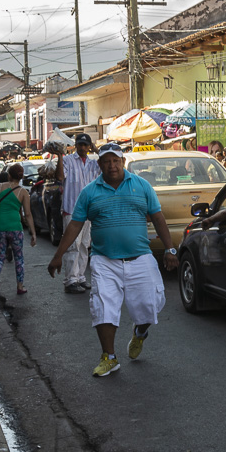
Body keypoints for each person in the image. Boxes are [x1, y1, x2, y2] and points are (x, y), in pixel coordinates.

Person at [47, 144, 179, 377]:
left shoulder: (141, 185)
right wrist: (58, 255)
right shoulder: (89, 192)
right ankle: (109, 357)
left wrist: (170, 249)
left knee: (151, 307)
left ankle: (139, 332)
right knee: (103, 307)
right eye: (107, 161)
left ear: (123, 161)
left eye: (116, 160)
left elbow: (157, 217)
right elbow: (76, 224)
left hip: (140, 258)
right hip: (104, 260)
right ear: (99, 165)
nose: (112, 165)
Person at [56, 133, 100, 294]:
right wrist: (60, 157)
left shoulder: (93, 163)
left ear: (89, 147)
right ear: (75, 145)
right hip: (72, 209)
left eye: (85, 145)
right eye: (80, 145)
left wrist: (96, 149)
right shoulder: (67, 160)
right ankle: (70, 280)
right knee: (72, 244)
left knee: (84, 244)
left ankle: (80, 276)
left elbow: (106, 166)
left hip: (88, 210)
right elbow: (60, 176)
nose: (82, 148)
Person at [0, 164, 37, 296]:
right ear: (21, 177)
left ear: (9, 175)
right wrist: (33, 232)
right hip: (15, 227)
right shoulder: (23, 192)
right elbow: (27, 214)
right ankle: (20, 286)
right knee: (19, 257)